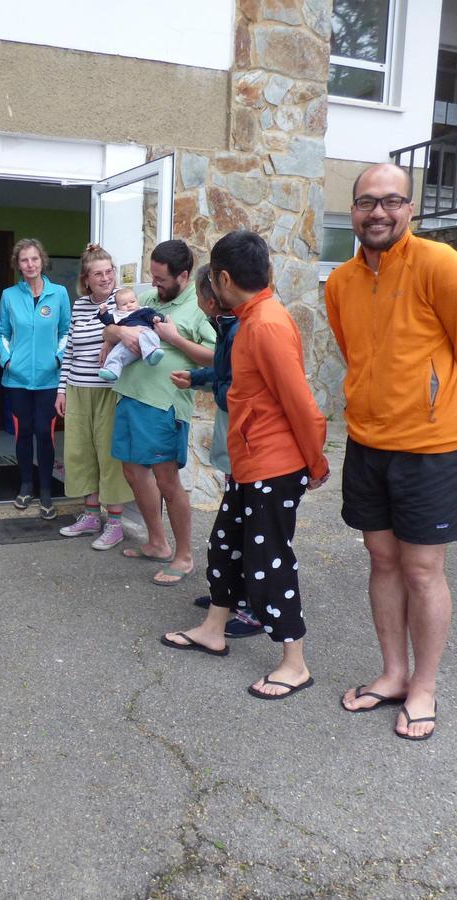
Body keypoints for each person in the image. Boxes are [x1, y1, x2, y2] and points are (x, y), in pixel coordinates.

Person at [326, 162, 457, 741]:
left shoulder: (442, 267)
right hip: (368, 444)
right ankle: (393, 674)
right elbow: (353, 352)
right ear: (352, 211)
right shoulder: (340, 283)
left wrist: (449, 421)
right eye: (366, 202)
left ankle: (424, 687)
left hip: (434, 448)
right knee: (381, 561)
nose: (378, 212)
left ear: (410, 209)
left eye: (391, 201)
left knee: (423, 570)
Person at [160, 231, 329, 701]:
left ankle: (294, 663)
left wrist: (315, 463)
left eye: (212, 277)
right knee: (225, 546)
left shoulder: (267, 323)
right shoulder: (249, 319)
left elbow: (300, 403)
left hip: (274, 465)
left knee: (268, 561)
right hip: (250, 462)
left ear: (225, 278)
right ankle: (214, 628)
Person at [102, 240, 215, 587]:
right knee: (134, 472)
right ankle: (157, 543)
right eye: (152, 276)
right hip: (129, 397)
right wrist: (119, 330)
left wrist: (175, 338)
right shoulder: (148, 301)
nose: (154, 284)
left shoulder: (197, 309)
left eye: (161, 278)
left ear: (183, 276)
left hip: (164, 406)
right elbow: (110, 327)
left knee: (167, 480)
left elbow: (216, 357)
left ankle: (184, 556)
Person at [172, 265, 262, 639]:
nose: (196, 302)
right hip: (234, 443)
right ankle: (231, 597)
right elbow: (225, 371)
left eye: (198, 294)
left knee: (252, 530)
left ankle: (254, 609)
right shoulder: (227, 326)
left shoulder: (244, 328)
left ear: (213, 296)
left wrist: (217, 390)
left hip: (250, 445)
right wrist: (197, 378)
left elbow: (239, 385)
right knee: (235, 526)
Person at [55, 244, 133, 550]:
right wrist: (61, 390)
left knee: (109, 457)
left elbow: (128, 336)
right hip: (77, 388)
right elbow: (71, 350)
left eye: (109, 272)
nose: (105, 278)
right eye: (97, 274)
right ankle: (90, 516)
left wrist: (110, 334)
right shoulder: (79, 305)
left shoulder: (123, 303)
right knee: (80, 453)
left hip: (109, 391)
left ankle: (114, 524)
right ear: (86, 279)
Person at [0, 237, 72, 519]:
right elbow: (1, 333)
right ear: (18, 264)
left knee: (45, 433)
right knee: (23, 433)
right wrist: (8, 360)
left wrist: (57, 358)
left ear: (42, 261)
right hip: (16, 380)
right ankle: (26, 485)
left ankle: (45, 492)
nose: (30, 264)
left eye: (34, 259)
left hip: (49, 380)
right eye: (24, 260)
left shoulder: (60, 294)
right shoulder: (9, 296)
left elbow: (67, 331)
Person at [95, 287, 166, 381]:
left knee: (150, 335)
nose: (129, 305)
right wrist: (103, 312)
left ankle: (152, 353)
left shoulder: (143, 311)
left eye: (132, 302)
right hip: (127, 342)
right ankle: (112, 370)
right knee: (116, 352)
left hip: (143, 331)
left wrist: (157, 318)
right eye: (124, 304)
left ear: (137, 300)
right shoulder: (119, 316)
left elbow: (153, 316)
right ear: (118, 307)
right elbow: (107, 321)